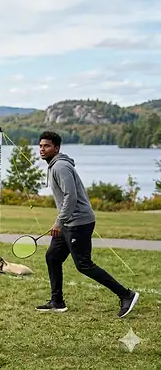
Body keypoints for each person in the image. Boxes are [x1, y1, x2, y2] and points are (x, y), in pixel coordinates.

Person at [36, 131, 138, 317]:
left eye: (47, 146)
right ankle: (57, 301)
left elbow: (71, 196)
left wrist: (59, 222)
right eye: (41, 146)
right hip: (68, 222)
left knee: (83, 264)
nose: (42, 149)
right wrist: (62, 222)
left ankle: (126, 295)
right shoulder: (54, 165)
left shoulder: (60, 167)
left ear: (56, 148)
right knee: (53, 257)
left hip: (78, 223)